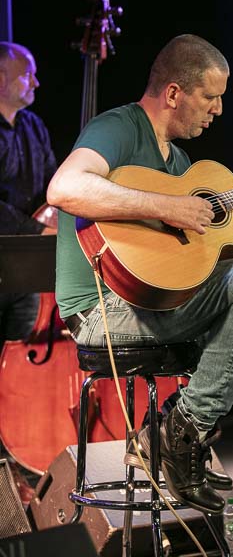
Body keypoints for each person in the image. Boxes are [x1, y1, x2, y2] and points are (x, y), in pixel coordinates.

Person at [47, 34, 233, 515]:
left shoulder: (178, 163)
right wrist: (169, 207)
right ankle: (185, 433)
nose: (218, 109)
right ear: (174, 93)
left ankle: (165, 433)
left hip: (160, 307)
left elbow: (219, 261)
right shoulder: (118, 127)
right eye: (211, 96)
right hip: (102, 314)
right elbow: (64, 187)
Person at [0, 41, 57, 504]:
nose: (36, 82)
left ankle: (19, 456)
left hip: (29, 261)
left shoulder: (34, 125)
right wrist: (30, 227)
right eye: (28, 74)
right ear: (1, 80)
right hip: (5, 249)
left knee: (24, 352)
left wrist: (56, 208)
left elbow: (54, 183)